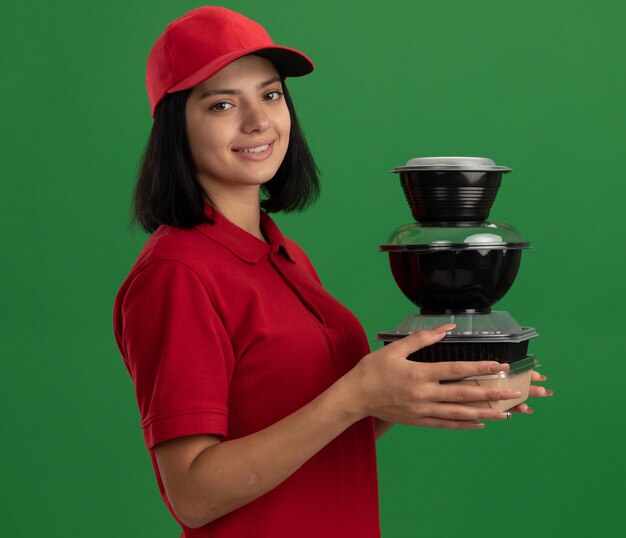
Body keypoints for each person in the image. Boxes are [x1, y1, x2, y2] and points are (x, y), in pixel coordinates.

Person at [113, 6, 551, 537]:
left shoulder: (284, 255)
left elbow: (318, 426)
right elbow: (193, 495)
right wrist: (356, 395)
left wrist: (432, 386)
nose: (257, 121)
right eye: (223, 103)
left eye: (270, 94)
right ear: (174, 127)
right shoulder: (177, 273)